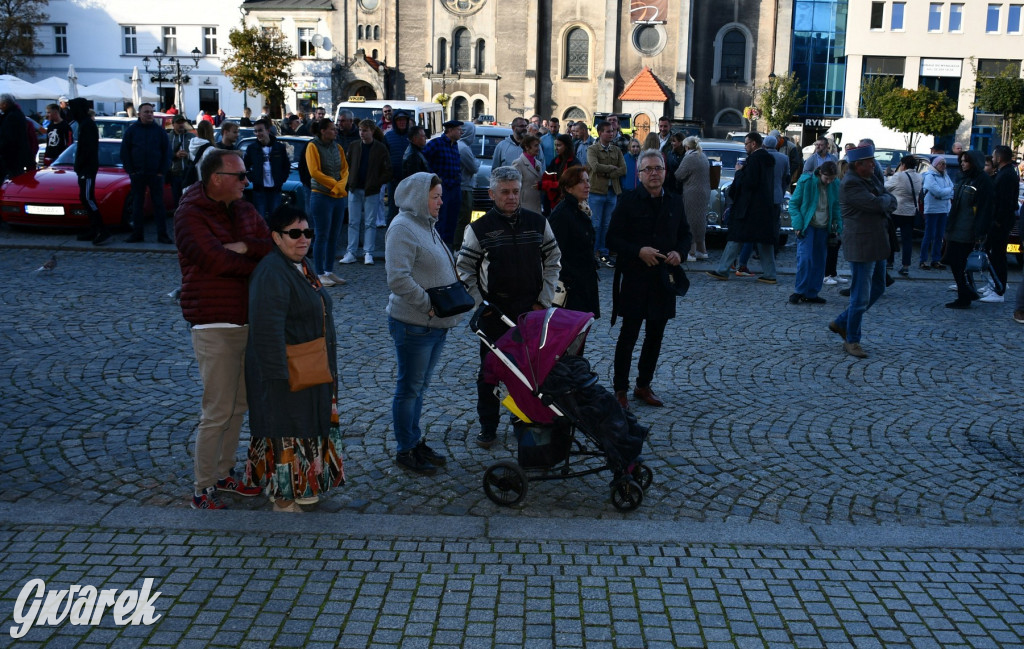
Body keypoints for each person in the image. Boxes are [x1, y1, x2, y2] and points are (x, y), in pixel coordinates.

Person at [175, 148, 273, 509]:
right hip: (213, 322)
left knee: (239, 404)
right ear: (217, 179)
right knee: (218, 408)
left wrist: (247, 245)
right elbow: (215, 261)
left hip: (249, 319)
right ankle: (203, 487)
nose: (248, 181)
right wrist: (255, 261)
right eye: (240, 176)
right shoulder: (189, 215)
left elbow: (275, 247)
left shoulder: (245, 210)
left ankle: (223, 473)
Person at [244, 205, 344, 512]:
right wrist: (278, 377)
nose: (303, 239)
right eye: (294, 234)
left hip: (310, 365)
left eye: (308, 232)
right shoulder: (272, 272)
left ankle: (305, 485)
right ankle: (284, 495)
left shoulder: (302, 265)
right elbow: (266, 329)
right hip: (286, 371)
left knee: (306, 426)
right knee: (286, 428)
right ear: (276, 237)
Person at [456, 166, 561, 448]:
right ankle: (488, 425)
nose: (512, 197)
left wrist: (544, 299)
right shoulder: (478, 229)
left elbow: (553, 261)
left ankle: (523, 419)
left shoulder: (538, 222)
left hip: (531, 309)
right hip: (494, 312)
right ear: (492, 194)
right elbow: (464, 268)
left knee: (529, 370)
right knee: (490, 372)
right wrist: (480, 305)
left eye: (515, 191)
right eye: (505, 192)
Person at [385, 173, 464, 475]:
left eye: (440, 196)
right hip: (415, 324)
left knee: (419, 388)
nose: (441, 202)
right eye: (435, 197)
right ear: (419, 198)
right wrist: (430, 306)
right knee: (409, 388)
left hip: (434, 324)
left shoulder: (425, 225)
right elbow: (398, 279)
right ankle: (406, 449)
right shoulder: (403, 228)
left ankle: (414, 441)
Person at [606, 148, 691, 410]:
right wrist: (638, 251)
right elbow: (612, 239)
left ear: (665, 172)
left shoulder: (675, 201)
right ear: (639, 174)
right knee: (628, 335)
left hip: (663, 280)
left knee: (655, 336)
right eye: (648, 169)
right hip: (635, 278)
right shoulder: (628, 201)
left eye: (658, 168)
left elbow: (685, 235)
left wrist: (680, 252)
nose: (654, 173)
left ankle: (644, 384)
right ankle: (620, 389)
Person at [828, 144, 896, 358]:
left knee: (879, 287)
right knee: (860, 296)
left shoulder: (871, 178)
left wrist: (884, 201)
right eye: (869, 162)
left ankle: (841, 322)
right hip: (862, 245)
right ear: (858, 166)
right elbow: (879, 204)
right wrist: (884, 201)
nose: (874, 164)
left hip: (877, 242)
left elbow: (889, 200)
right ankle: (852, 339)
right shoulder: (850, 184)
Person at [707, 132, 778, 284]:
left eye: (746, 143)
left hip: (749, 208)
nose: (745, 147)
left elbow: (749, 183)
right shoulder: (767, 160)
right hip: (763, 207)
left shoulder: (754, 160)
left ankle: (723, 270)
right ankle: (770, 274)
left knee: (735, 237)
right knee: (764, 241)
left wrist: (739, 172)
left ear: (753, 144)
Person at [548, 166, 600, 319]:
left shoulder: (581, 209)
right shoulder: (563, 214)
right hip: (571, 286)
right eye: (581, 182)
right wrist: (571, 278)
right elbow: (554, 253)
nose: (587, 185)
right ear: (569, 188)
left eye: (588, 181)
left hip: (584, 281)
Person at [944, 150, 993, 309]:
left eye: (966, 161)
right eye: (962, 161)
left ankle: (965, 295)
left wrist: (980, 231)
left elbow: (985, 208)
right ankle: (966, 292)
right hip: (956, 226)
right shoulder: (963, 177)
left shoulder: (982, 181)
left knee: (959, 262)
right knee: (953, 260)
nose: (963, 164)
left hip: (968, 229)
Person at [305, 117, 350, 286]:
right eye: (332, 129)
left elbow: (345, 169)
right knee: (322, 235)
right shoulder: (312, 146)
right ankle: (319, 272)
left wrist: (341, 186)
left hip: (337, 197)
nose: (335, 131)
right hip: (321, 195)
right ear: (323, 131)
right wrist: (335, 185)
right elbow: (314, 172)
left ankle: (329, 271)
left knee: (334, 235)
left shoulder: (337, 147)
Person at [788, 161, 840, 305]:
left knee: (819, 261)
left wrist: (837, 226)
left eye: (832, 179)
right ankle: (799, 291)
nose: (829, 182)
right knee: (805, 259)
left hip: (824, 227)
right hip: (807, 226)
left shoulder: (835, 184)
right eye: (827, 179)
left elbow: (836, 207)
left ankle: (812, 293)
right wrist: (798, 225)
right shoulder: (806, 182)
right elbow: (793, 204)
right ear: (820, 173)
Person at [342, 118, 392, 265]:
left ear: (372, 131)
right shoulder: (354, 146)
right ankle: (351, 251)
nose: (361, 133)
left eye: (365, 130)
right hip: (354, 188)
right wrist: (349, 181)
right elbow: (347, 165)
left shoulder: (380, 148)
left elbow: (388, 170)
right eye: (360, 130)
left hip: (371, 190)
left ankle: (368, 252)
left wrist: (376, 182)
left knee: (370, 222)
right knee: (353, 221)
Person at [121, 103, 171, 243]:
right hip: (138, 173)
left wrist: (162, 171)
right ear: (139, 114)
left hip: (156, 174)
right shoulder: (132, 131)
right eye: (146, 112)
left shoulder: (159, 131)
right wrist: (131, 171)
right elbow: (125, 152)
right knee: (137, 204)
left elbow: (166, 152)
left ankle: (162, 235)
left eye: (151, 112)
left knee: (159, 205)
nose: (150, 114)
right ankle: (137, 234)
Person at [68, 97, 110, 246]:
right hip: (85, 167)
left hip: (87, 168)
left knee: (88, 198)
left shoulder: (87, 125)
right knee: (85, 198)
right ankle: (94, 228)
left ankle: (101, 229)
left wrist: (81, 164)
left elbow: (88, 149)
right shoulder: (84, 124)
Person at [588, 121, 627, 267]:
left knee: (606, 225)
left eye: (612, 131)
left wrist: (608, 172)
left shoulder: (616, 150)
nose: (611, 133)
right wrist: (611, 168)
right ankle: (592, 253)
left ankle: (603, 253)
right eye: (608, 131)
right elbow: (595, 166)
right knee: (595, 224)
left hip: (612, 192)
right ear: (600, 133)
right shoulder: (593, 149)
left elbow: (623, 169)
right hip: (596, 192)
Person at [983, 145, 1018, 304]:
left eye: (994, 156)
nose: (992, 158)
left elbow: (1004, 202)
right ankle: (994, 284)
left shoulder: (1007, 175)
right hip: (999, 221)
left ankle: (999, 290)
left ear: (1000, 158)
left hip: (1000, 223)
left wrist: (997, 221)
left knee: (998, 255)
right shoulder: (1005, 173)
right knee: (993, 254)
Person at [422, 119, 462, 246]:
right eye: (458, 130)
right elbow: (423, 159)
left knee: (452, 221)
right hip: (442, 188)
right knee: (441, 221)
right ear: (450, 130)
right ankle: (437, 247)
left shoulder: (454, 145)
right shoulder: (436, 143)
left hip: (455, 188)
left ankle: (447, 250)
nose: (461, 132)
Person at [244, 118, 290, 222]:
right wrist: (253, 177)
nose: (257, 133)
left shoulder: (279, 147)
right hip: (259, 190)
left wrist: (281, 179)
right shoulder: (252, 148)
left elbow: (286, 165)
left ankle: (274, 237)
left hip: (275, 189)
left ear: (268, 130)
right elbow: (244, 166)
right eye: (255, 131)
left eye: (260, 130)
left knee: (275, 219)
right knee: (260, 219)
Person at [884, 155, 921, 276]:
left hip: (897, 210)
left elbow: (886, 187)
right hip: (911, 212)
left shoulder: (899, 175)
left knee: (891, 236)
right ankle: (906, 266)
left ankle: (890, 261)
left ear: (903, 165)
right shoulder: (919, 176)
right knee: (907, 240)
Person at [675, 135, 710, 261]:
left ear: (687, 147)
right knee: (700, 221)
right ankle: (702, 250)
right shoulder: (703, 156)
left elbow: (679, 175)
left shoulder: (689, 157)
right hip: (704, 192)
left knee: (690, 221)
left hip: (692, 192)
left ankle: (691, 251)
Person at [920, 156, 954, 270]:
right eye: (941, 163)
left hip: (944, 209)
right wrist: (946, 193)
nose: (943, 166)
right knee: (929, 235)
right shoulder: (930, 176)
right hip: (932, 209)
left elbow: (951, 190)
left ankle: (936, 259)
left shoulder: (946, 176)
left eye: (945, 164)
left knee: (939, 236)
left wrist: (944, 194)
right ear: (935, 165)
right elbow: (937, 192)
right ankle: (923, 260)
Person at [454, 121, 481, 249]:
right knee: (463, 218)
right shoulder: (464, 148)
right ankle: (458, 245)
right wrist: (476, 162)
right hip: (464, 187)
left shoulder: (460, 146)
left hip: (462, 185)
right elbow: (474, 167)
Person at [384, 110, 413, 222]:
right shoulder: (389, 136)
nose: (402, 122)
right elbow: (384, 157)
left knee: (409, 210)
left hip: (410, 179)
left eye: (404, 120)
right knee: (393, 209)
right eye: (399, 120)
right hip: (394, 179)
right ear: (395, 122)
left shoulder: (412, 135)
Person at [540, 134, 581, 210]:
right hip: (554, 202)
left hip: (570, 202)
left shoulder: (575, 163)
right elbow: (546, 178)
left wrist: (547, 185)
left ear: (566, 146)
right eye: (555, 145)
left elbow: (569, 185)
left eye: (559, 145)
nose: (556, 148)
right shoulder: (555, 161)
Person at [0, 94, 34, 180]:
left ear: (5, 104)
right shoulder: (15, 114)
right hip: (15, 157)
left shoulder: (12, 116)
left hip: (12, 158)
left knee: (13, 180)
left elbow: (8, 138)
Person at [512, 134, 544, 214]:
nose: (538, 149)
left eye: (538, 145)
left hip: (537, 206)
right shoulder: (518, 163)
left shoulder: (538, 163)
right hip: (524, 207)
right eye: (536, 146)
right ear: (527, 147)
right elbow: (514, 186)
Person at [168, 116, 196, 208]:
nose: (181, 125)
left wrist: (188, 155)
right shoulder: (168, 138)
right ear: (173, 124)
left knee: (189, 200)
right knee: (177, 201)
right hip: (174, 174)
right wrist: (175, 155)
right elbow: (163, 155)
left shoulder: (191, 137)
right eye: (178, 123)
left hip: (189, 174)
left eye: (182, 122)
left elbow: (197, 154)